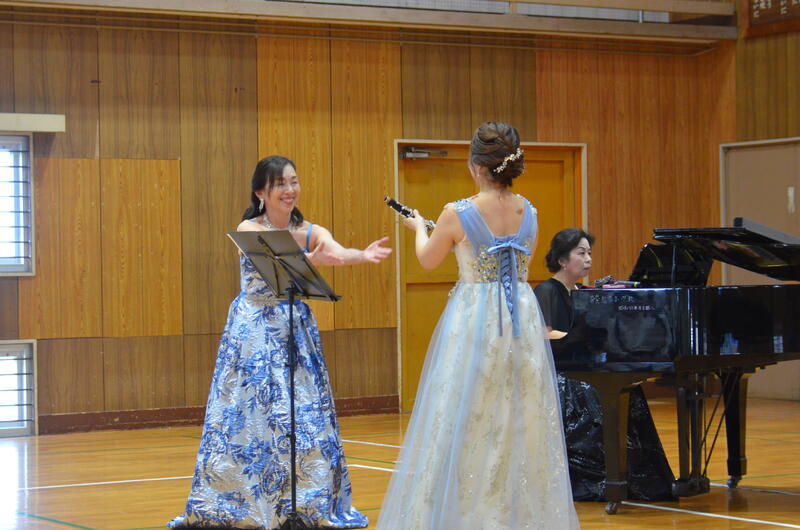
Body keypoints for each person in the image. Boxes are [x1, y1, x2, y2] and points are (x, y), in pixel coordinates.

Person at [170, 155, 391, 529]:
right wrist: (309, 258)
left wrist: (360, 255)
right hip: (253, 329)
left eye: (294, 182)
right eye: (280, 184)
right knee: (251, 412)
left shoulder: (309, 229)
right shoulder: (248, 228)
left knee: (300, 412)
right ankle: (245, 503)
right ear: (261, 193)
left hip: (293, 329)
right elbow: (267, 258)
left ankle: (302, 501)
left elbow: (334, 252)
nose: (290, 190)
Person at [377, 122, 580, 529]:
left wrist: (418, 229)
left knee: (465, 410)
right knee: (517, 411)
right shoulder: (529, 211)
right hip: (519, 317)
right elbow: (518, 262)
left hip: (476, 318)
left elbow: (428, 260)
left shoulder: (457, 212)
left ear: (476, 166)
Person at [534, 229, 675, 501]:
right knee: (594, 393)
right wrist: (576, 339)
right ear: (562, 260)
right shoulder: (546, 290)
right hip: (562, 370)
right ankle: (603, 476)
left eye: (589, 253)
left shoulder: (584, 292)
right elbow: (543, 334)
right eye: (581, 253)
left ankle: (627, 475)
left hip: (584, 365)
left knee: (627, 387)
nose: (588, 259)